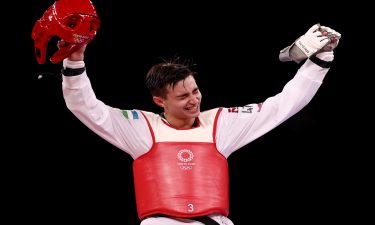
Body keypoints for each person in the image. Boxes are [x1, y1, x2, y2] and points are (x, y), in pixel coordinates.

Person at [59, 24, 341, 225]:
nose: (194, 100)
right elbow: (85, 106)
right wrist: (75, 61)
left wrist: (320, 59)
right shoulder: (140, 128)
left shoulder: (220, 123)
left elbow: (282, 105)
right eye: (183, 97)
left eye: (195, 91)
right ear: (160, 101)